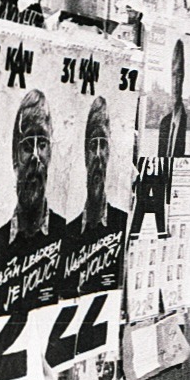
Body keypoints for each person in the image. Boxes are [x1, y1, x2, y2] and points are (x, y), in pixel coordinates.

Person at [0, 90, 68, 315]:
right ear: (15, 156)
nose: (35, 156)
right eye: (26, 146)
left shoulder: (66, 235)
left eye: (41, 144)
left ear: (50, 153)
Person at [62, 97, 128, 297]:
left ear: (109, 153)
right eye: (93, 146)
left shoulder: (121, 222)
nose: (98, 155)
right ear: (85, 155)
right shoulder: (68, 233)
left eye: (104, 145)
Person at [157, 39, 187, 160]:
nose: (176, 82)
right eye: (174, 75)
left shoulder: (188, 121)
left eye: (179, 75)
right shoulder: (165, 122)